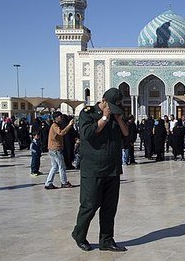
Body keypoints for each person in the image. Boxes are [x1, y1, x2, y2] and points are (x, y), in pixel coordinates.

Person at [72, 88, 129, 252]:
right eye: (111, 106)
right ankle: (79, 234)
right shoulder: (87, 113)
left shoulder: (116, 115)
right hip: (93, 169)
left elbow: (126, 133)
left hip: (112, 169)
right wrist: (104, 117)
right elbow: (87, 134)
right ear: (103, 101)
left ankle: (106, 240)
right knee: (90, 205)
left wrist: (118, 118)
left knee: (109, 207)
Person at [44, 111, 75, 189]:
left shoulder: (55, 125)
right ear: (56, 118)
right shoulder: (55, 126)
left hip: (53, 149)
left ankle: (48, 183)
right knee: (62, 166)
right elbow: (61, 133)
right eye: (60, 116)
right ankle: (64, 182)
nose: (61, 118)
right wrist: (70, 125)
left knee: (54, 167)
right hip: (56, 149)